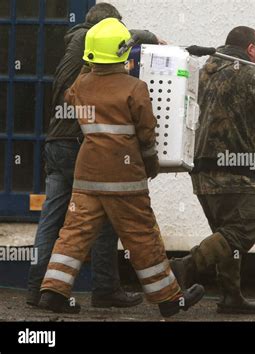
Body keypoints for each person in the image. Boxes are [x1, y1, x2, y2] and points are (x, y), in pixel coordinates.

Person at [38, 18, 204, 318]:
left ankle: (53, 291)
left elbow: (73, 90)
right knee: (142, 236)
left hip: (87, 175)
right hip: (124, 178)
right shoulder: (135, 87)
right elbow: (147, 133)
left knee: (73, 234)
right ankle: (169, 299)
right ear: (122, 53)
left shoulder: (80, 86)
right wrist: (151, 164)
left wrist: (89, 64)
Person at [27, 2, 164, 311]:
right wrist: (154, 37)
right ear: (106, 29)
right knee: (102, 217)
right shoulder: (91, 42)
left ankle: (39, 289)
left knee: (55, 219)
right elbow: (126, 38)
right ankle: (105, 288)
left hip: (56, 141)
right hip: (78, 143)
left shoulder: (76, 44)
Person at [171, 26, 255, 314]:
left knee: (226, 236)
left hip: (202, 171)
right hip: (235, 171)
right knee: (246, 226)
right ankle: (185, 266)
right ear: (251, 49)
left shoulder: (204, 72)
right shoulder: (250, 74)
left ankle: (230, 296)